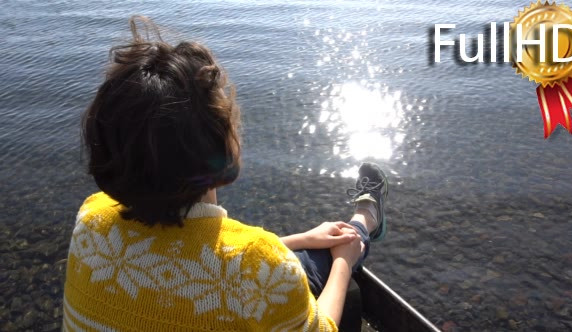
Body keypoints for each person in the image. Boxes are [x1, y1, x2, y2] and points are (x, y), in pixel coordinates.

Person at [62, 16, 389, 331]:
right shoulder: (254, 264)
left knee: (302, 257)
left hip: (251, 275)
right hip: (260, 280)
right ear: (221, 145)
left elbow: (182, 261)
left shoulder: (91, 217)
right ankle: (365, 221)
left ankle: (360, 222)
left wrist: (299, 240)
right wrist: (344, 263)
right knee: (333, 255)